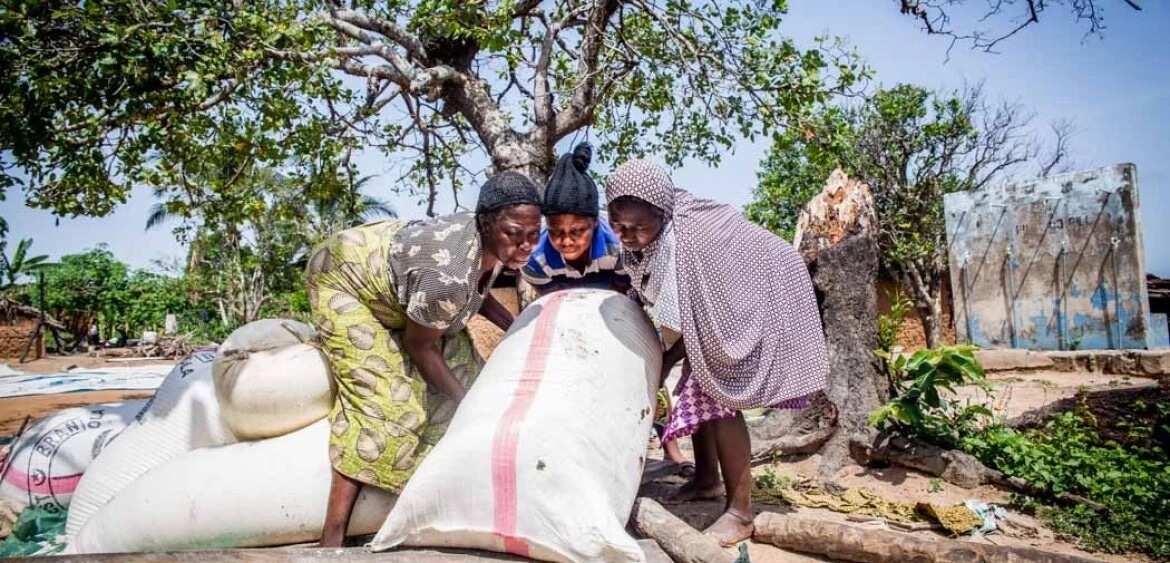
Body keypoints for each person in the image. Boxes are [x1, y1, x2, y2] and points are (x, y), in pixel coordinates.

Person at [308, 171, 543, 547]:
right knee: (389, 403)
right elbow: (421, 346)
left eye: (534, 234)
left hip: (406, 284)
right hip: (345, 276)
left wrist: (518, 326)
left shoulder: (493, 247)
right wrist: (465, 405)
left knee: (477, 384)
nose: (526, 245)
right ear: (486, 222)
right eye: (515, 234)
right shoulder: (446, 277)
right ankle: (332, 537)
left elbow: (477, 292)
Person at [605, 159, 829, 546]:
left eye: (641, 228)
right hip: (712, 309)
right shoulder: (651, 240)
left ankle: (740, 512)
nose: (630, 236)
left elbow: (681, 327)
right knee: (700, 386)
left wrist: (663, 363)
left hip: (764, 291)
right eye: (620, 227)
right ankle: (707, 479)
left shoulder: (689, 243)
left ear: (663, 214)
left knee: (719, 395)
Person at [520, 143, 690, 473]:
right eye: (556, 233)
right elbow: (545, 295)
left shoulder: (617, 243)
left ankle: (671, 449)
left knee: (644, 377)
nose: (566, 241)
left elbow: (633, 289)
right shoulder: (538, 257)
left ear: (596, 225)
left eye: (577, 232)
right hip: (569, 318)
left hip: (622, 314)